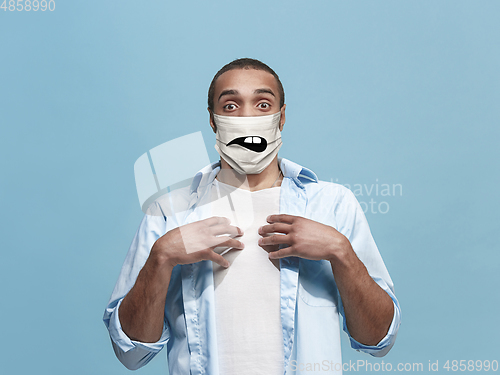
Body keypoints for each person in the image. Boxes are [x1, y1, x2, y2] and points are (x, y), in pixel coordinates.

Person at [103, 58, 401, 375]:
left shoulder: (332, 204)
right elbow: (131, 352)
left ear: (281, 116)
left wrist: (341, 252)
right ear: (213, 120)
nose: (247, 118)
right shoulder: (168, 210)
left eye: (262, 104)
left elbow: (378, 339)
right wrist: (160, 257)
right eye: (231, 106)